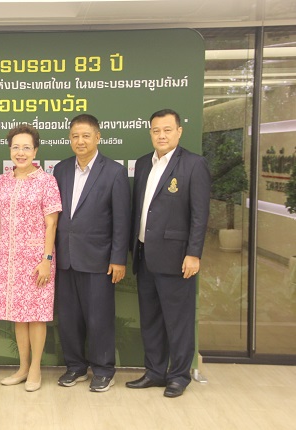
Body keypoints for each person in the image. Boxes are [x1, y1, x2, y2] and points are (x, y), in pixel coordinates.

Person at [126, 108, 210, 398]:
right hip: (144, 255)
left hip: (177, 258)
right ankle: (154, 372)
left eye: (167, 130)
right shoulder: (143, 164)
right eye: (156, 130)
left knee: (178, 321)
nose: (161, 135)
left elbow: (200, 215)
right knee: (150, 319)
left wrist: (194, 253)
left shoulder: (194, 165)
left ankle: (179, 376)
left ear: (179, 131)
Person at [53, 114, 131, 392]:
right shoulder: (61, 170)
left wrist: (118, 259)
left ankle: (103, 370)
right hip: (65, 258)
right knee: (69, 318)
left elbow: (122, 220)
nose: (80, 141)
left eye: (86, 135)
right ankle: (75, 367)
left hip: (99, 259)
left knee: (99, 318)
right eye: (75, 136)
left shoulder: (114, 172)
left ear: (98, 137)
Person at [0, 124, 61, 392]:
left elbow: (51, 224)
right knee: (18, 316)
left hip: (36, 259)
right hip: (9, 258)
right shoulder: (2, 180)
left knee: (36, 315)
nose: (20, 152)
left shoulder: (46, 181)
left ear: (35, 151)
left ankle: (35, 369)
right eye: (16, 147)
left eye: (26, 147)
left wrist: (47, 260)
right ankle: (22, 367)